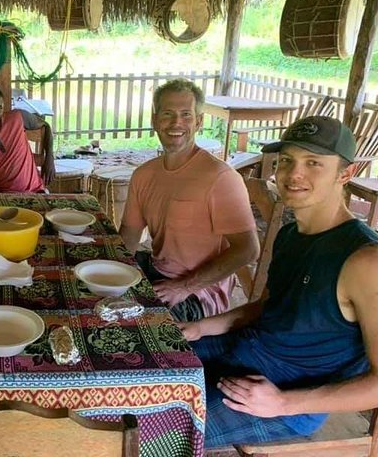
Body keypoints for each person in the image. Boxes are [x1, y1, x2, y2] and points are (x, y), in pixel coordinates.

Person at [179, 116, 378, 448]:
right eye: (287, 160)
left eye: (313, 163)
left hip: (281, 400)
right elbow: (268, 308)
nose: (294, 173)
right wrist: (201, 327)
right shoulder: (290, 234)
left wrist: (283, 403)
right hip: (243, 351)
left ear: (346, 173)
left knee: (151, 437)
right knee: (149, 360)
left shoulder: (364, 261)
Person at [120, 79, 259, 322]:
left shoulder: (220, 177)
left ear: (199, 122)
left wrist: (184, 287)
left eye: (186, 115)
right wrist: (111, 273)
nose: (176, 123)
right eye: (167, 114)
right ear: (155, 120)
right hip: (157, 270)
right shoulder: (143, 174)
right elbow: (129, 236)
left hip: (199, 292)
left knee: (138, 324)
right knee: (94, 292)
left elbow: (248, 250)